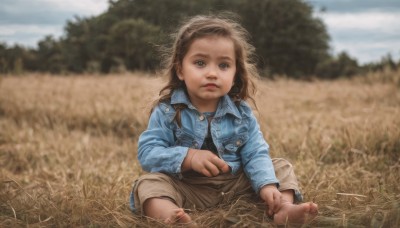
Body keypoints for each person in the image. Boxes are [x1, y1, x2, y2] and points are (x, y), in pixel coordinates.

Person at [129, 14, 318, 226]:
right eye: (200, 63)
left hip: (235, 187)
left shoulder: (242, 113)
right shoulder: (168, 111)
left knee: (279, 167)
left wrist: (266, 185)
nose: (212, 73)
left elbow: (255, 153)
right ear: (180, 69)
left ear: (236, 73)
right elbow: (148, 153)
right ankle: (174, 217)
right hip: (188, 188)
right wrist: (188, 157)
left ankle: (282, 208)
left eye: (223, 65)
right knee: (148, 184)